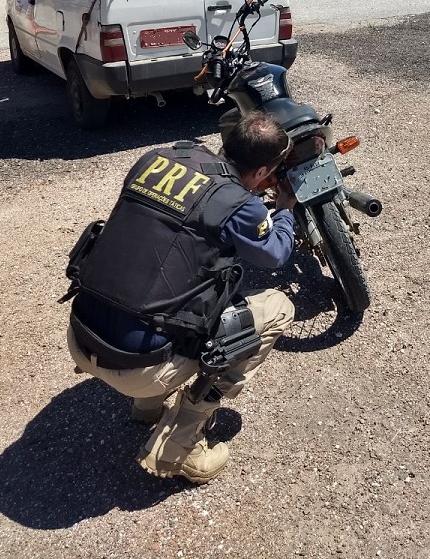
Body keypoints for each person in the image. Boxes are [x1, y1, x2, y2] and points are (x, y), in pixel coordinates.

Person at [64, 112, 296, 484]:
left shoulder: (157, 159)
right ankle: (179, 448)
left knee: (155, 275)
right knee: (278, 309)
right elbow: (275, 255)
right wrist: (283, 211)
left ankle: (146, 408)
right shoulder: (241, 203)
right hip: (139, 367)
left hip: (82, 333)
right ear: (262, 171)